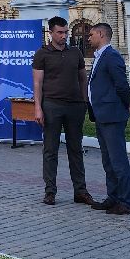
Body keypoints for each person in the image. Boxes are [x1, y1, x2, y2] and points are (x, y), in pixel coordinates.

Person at [33, 16, 96, 207]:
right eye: (60, 32)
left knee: (75, 149)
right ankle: (50, 191)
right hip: (52, 106)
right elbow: (37, 83)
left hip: (75, 106)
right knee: (50, 150)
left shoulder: (75, 52)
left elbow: (83, 78)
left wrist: (84, 100)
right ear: (51, 33)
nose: (64, 36)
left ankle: (80, 191)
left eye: (66, 32)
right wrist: (38, 108)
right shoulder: (42, 54)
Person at [86, 22, 130, 215]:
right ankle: (113, 197)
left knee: (118, 161)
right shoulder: (99, 56)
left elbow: (121, 85)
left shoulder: (112, 56)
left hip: (112, 116)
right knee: (108, 161)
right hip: (101, 115)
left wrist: (125, 104)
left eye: (91, 34)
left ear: (101, 34)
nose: (88, 38)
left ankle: (125, 202)